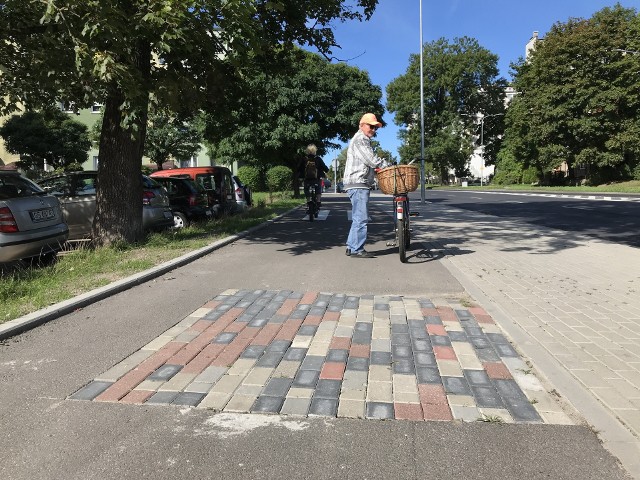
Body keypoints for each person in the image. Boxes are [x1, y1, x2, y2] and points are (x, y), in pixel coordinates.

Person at [343, 113, 390, 258]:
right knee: (362, 218)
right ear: (362, 125)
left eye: (375, 128)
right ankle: (358, 249)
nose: (373, 130)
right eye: (371, 126)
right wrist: (386, 165)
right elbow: (371, 159)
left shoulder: (360, 139)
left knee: (358, 216)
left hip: (356, 182)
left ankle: (351, 246)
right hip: (358, 182)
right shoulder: (361, 139)